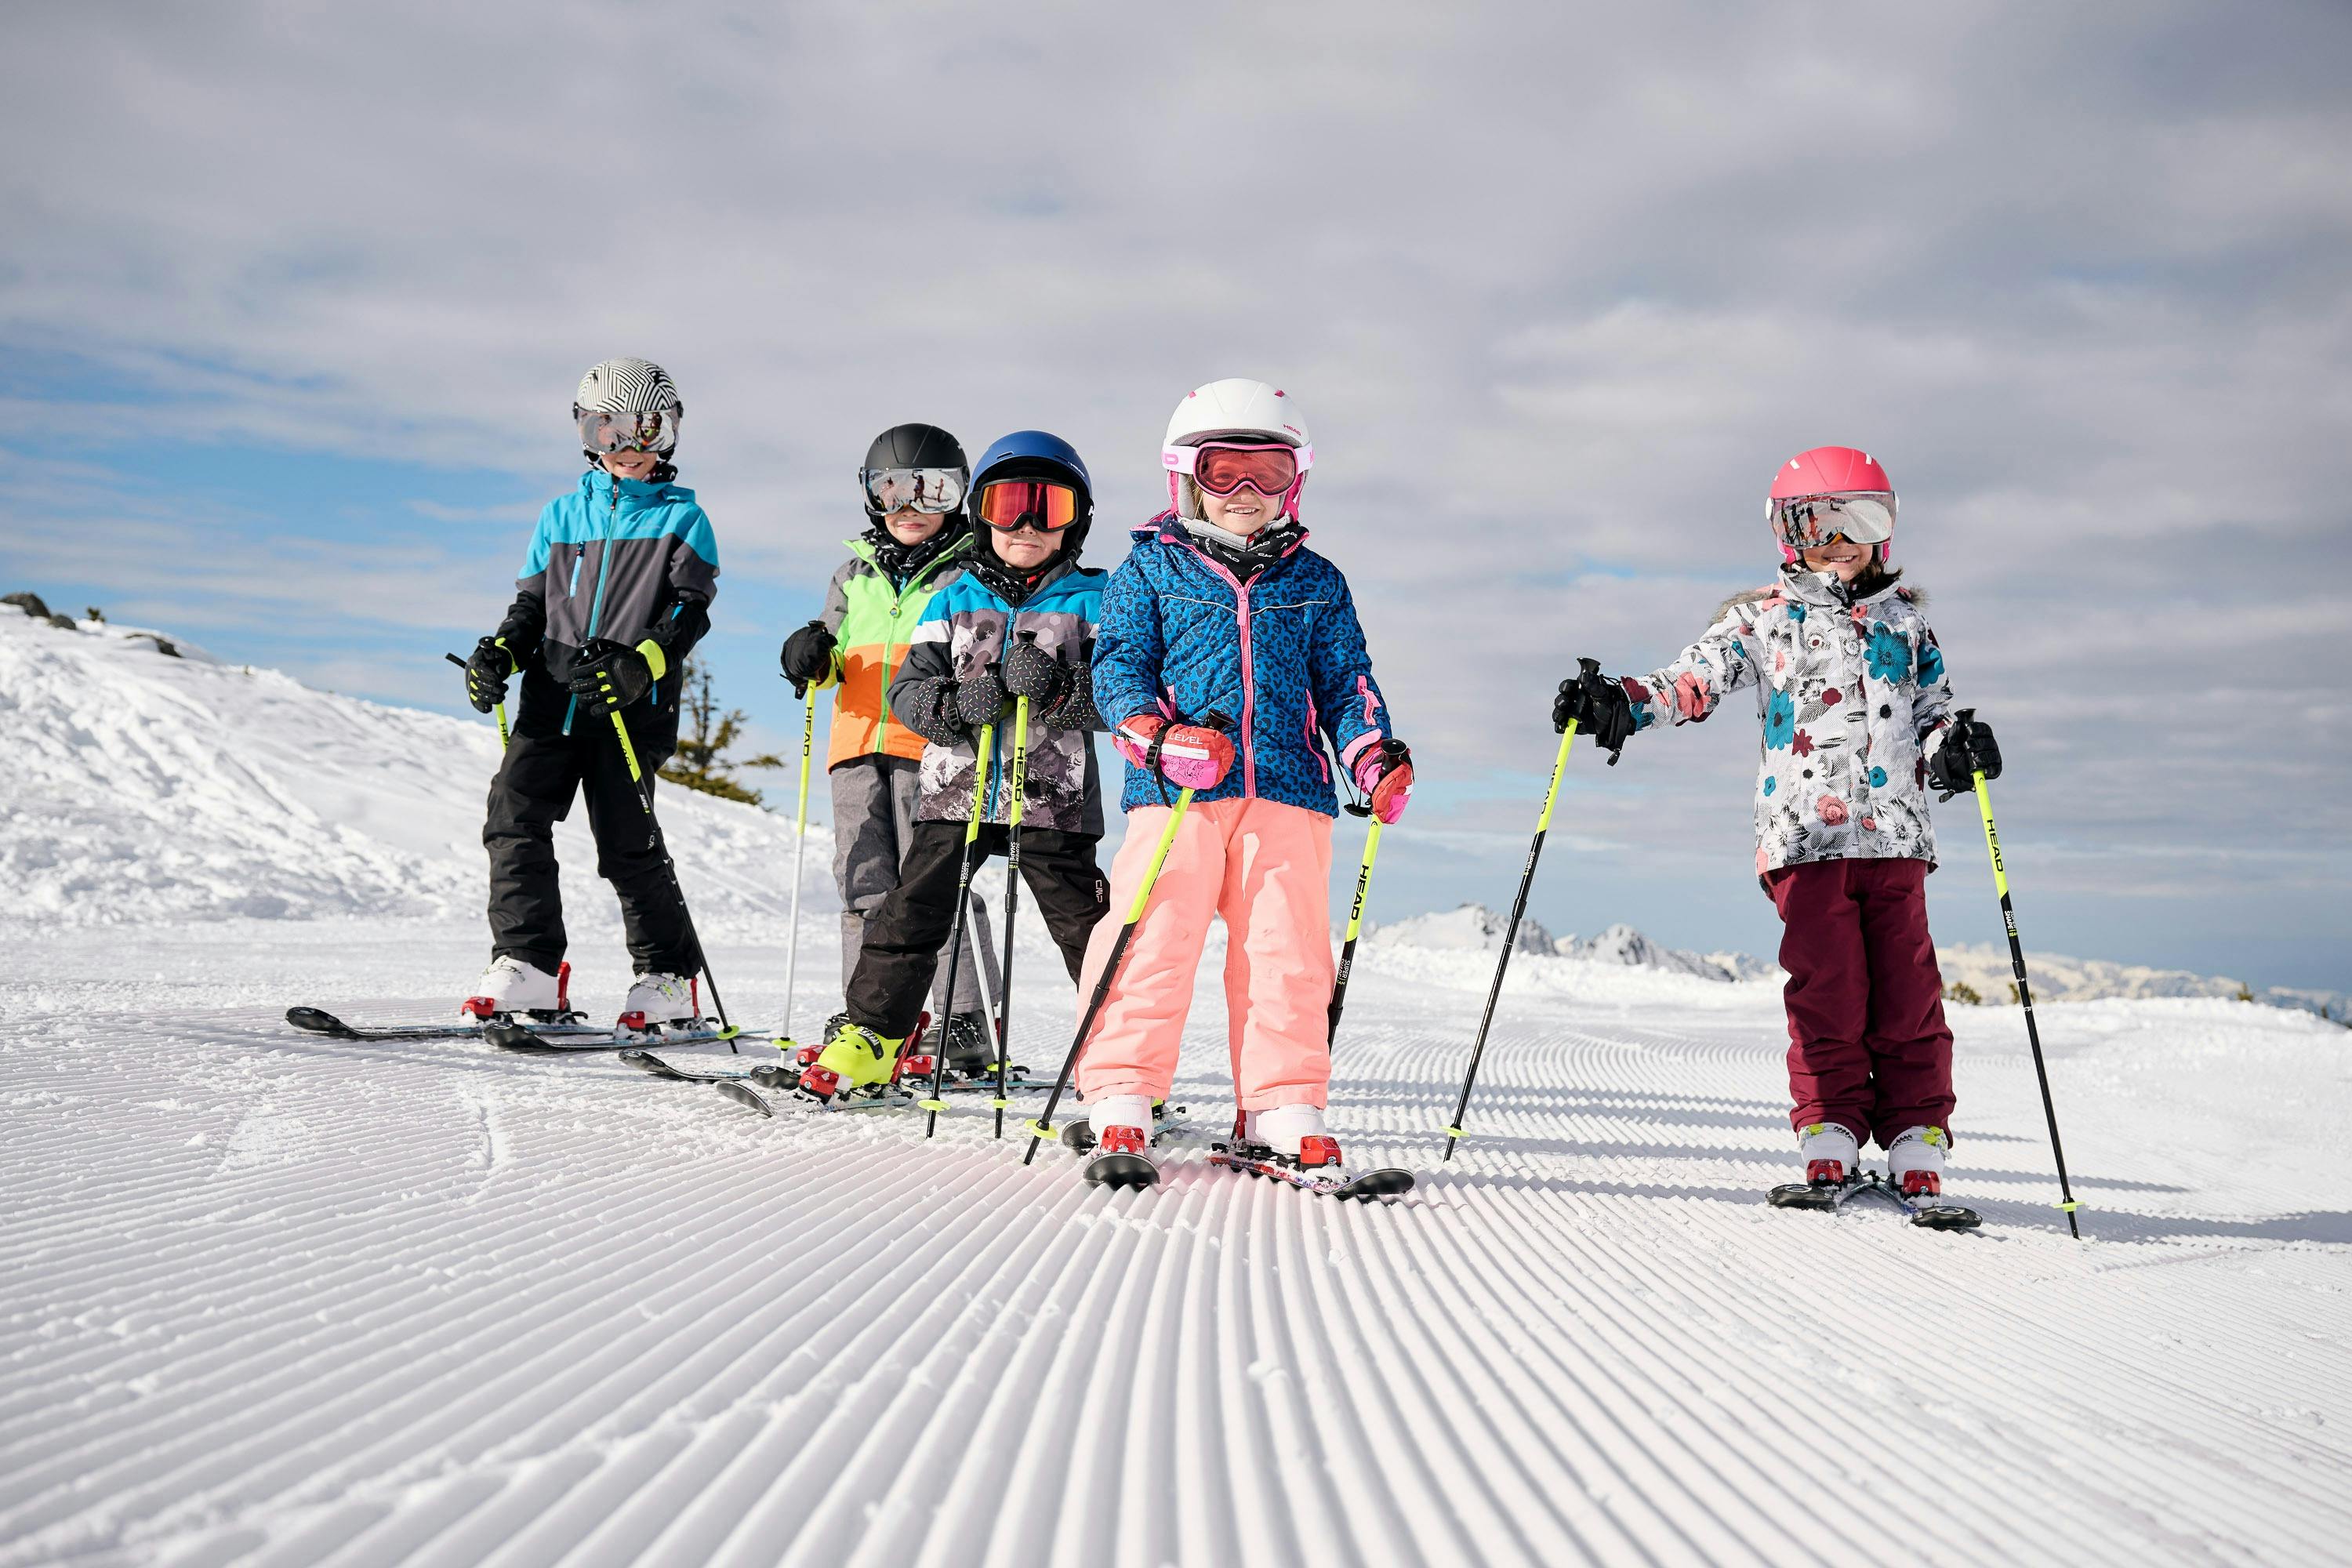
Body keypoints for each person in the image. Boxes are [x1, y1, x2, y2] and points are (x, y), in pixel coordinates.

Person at [1553, 445, 2002, 1200]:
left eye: (1861, 517)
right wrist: (1623, 701)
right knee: (1828, 988)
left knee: (1908, 991)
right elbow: (1692, 680)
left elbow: (1933, 713)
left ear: (1884, 531)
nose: (1840, 538)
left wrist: (1955, 744)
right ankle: (1828, 1124)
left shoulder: (1907, 626)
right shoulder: (1763, 620)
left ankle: (1916, 1132)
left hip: (1895, 839)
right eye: (1817, 521)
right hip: (1804, 842)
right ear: (1788, 534)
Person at [1075, 379, 1414, 1177]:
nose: (1248, 491)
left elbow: (1346, 682)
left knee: (1286, 949)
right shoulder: (1149, 569)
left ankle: (1281, 1099)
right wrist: (1157, 740)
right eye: (1226, 470)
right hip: (1179, 791)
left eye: (1269, 470)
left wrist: (1371, 753)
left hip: (1290, 790)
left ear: (1294, 477)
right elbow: (1117, 669)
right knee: (1152, 933)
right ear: (1187, 474)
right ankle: (1121, 1088)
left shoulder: (1316, 580)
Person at [797, 431, 1115, 1102]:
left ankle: (1124, 1058)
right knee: (911, 913)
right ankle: (875, 1034)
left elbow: (1122, 692)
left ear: (1076, 520)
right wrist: (957, 704)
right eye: (1007, 507)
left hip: (1051, 797)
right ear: (982, 514)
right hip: (955, 792)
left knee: (1086, 927)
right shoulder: (954, 598)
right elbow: (907, 692)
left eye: (1047, 508)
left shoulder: (1096, 598)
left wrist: (1061, 691)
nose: (1026, 525)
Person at [459, 358, 720, 1033]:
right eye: (607, 428)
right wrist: (501, 655)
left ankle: (667, 977)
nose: (625, 447)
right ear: (587, 431)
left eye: (643, 430)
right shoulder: (559, 515)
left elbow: (690, 614)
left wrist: (641, 665)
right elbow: (529, 609)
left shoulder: (683, 520)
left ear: (667, 434)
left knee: (628, 844)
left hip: (630, 703)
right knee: (512, 819)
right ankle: (529, 965)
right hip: (551, 698)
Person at [777, 424, 987, 1065]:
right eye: (891, 489)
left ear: (959, 496)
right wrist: (810, 656)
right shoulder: (853, 573)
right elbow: (833, 655)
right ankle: (867, 1015)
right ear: (870, 495)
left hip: (934, 745)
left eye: (933, 491)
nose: (910, 508)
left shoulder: (968, 572)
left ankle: (963, 1018)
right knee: (863, 881)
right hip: (855, 747)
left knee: (933, 884)